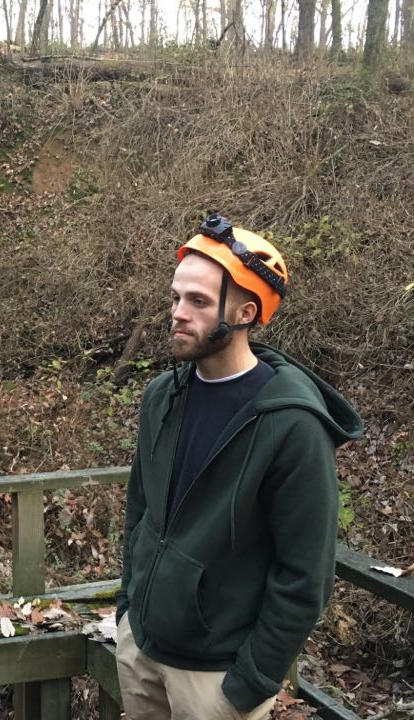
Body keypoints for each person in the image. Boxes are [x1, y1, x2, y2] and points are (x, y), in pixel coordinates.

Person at [115, 214, 363, 720]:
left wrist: (252, 680)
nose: (178, 314)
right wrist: (127, 611)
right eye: (176, 297)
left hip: (215, 678)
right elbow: (140, 510)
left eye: (199, 302)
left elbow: (305, 574)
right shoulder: (162, 395)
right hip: (140, 647)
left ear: (247, 312)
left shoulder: (291, 424)